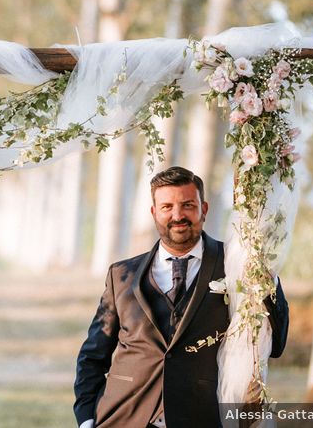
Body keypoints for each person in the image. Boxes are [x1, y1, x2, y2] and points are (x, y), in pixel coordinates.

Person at [73, 166, 289, 428]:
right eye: (167, 207)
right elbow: (93, 356)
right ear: (154, 213)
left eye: (188, 205)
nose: (178, 215)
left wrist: (268, 281)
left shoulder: (238, 266)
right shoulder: (121, 275)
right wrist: (86, 419)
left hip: (201, 418)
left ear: (204, 209)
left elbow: (275, 344)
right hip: (123, 418)